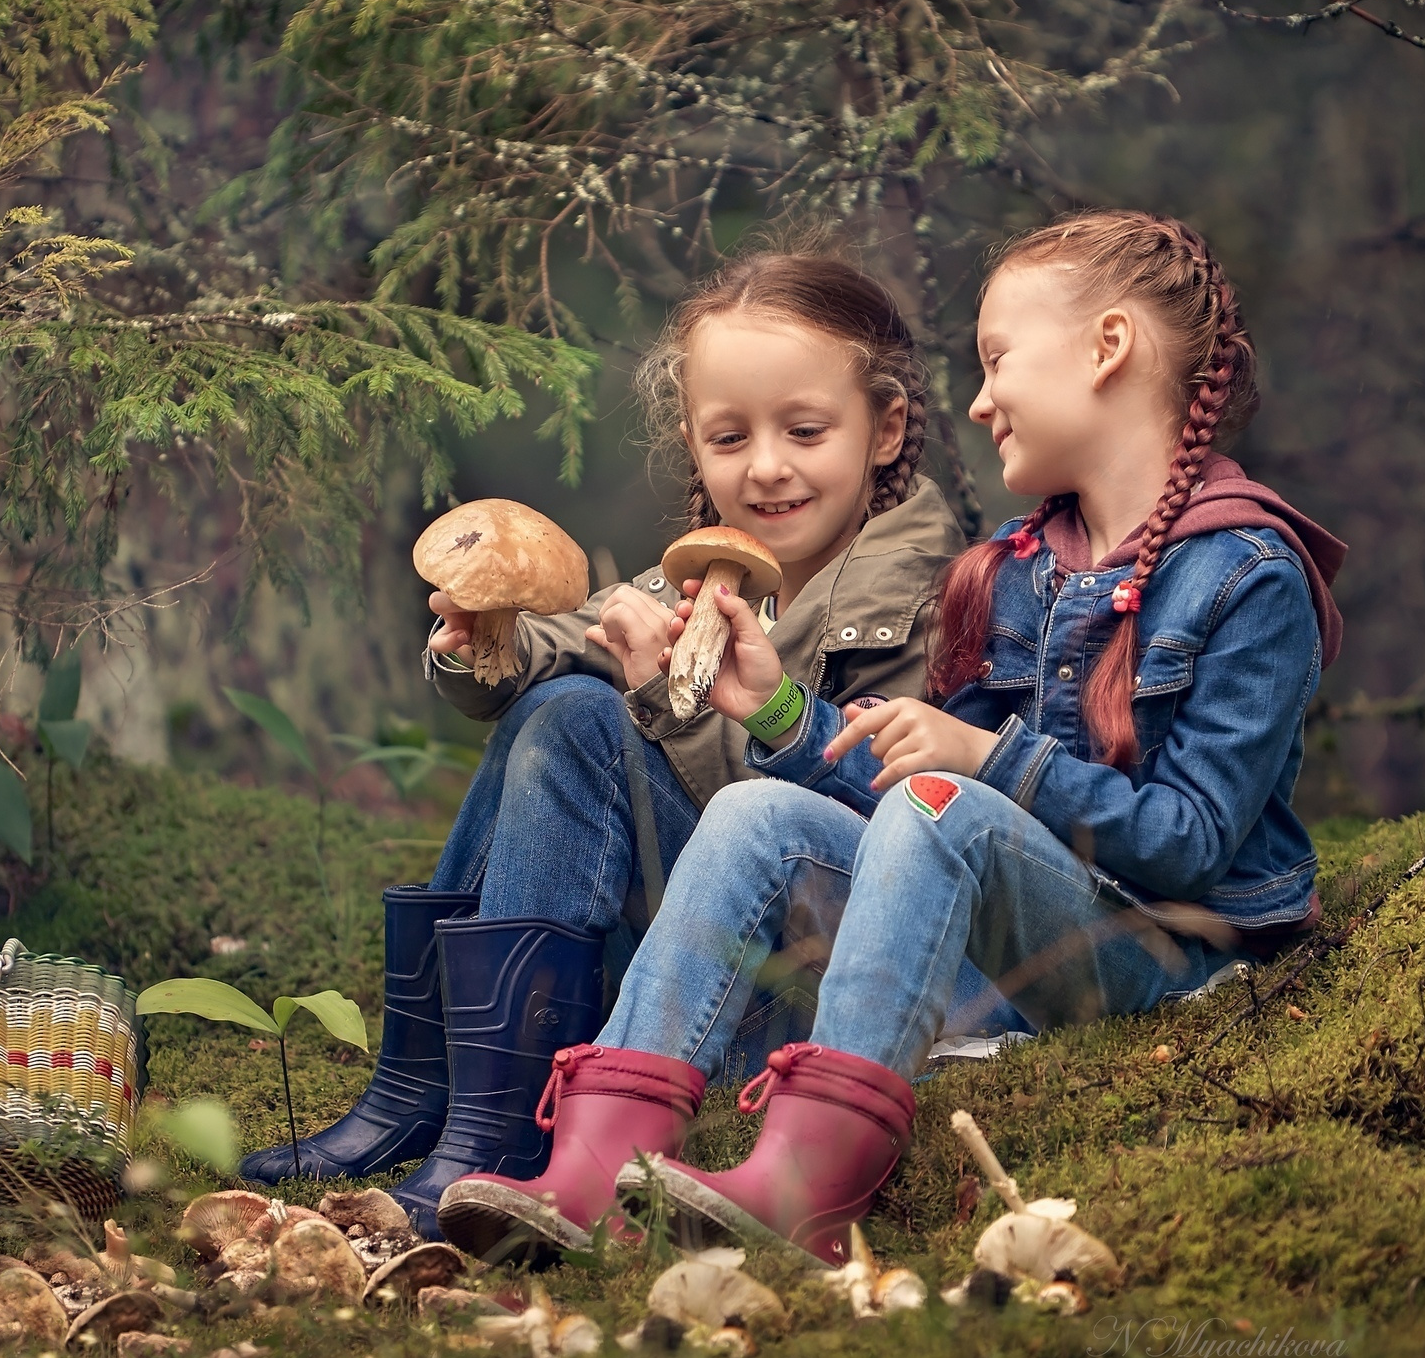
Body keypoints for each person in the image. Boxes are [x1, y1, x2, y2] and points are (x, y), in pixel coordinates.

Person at [438, 209, 1346, 1266]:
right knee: (752, 809)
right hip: (1020, 936)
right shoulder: (1013, 570)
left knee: (940, 802)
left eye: (998, 358)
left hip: (1169, 958)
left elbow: (1189, 841)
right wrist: (778, 712)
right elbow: (906, 799)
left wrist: (986, 761)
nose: (978, 396)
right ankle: (592, 1167)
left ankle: (806, 1178)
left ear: (1107, 348)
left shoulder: (1246, 575)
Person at [233, 248, 969, 1239]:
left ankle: (488, 1115)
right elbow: (571, 633)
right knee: (553, 703)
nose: (764, 465)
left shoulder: (917, 594)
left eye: (804, 429)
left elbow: (837, 827)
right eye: (727, 434)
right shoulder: (713, 570)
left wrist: (666, 705)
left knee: (579, 721)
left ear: (882, 430)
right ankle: (430, 1085)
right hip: (703, 948)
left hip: (794, 994)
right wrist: (481, 645)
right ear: (690, 441)